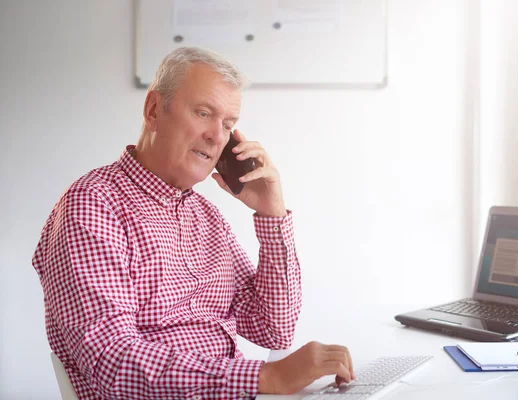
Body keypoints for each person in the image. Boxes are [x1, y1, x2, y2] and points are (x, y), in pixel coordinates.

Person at [32, 47, 354, 399]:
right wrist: (265, 378)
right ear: (154, 110)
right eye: (204, 113)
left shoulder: (207, 216)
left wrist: (272, 215)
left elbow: (273, 329)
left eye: (228, 125)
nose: (217, 137)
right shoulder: (93, 204)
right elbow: (111, 360)